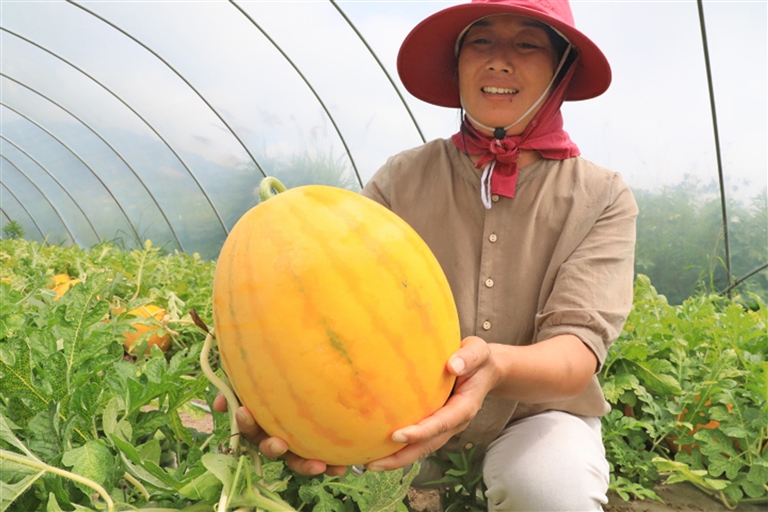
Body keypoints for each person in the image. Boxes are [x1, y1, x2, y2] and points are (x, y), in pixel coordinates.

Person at [215, 0, 637, 509]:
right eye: (481, 41)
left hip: (536, 416)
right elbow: (327, 306)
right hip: (400, 415)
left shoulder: (602, 196)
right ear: (458, 64)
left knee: (550, 489)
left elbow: (576, 351)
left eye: (527, 44)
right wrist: (275, 389)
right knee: (311, 469)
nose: (499, 61)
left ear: (561, 69)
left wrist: (495, 366)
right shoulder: (401, 178)